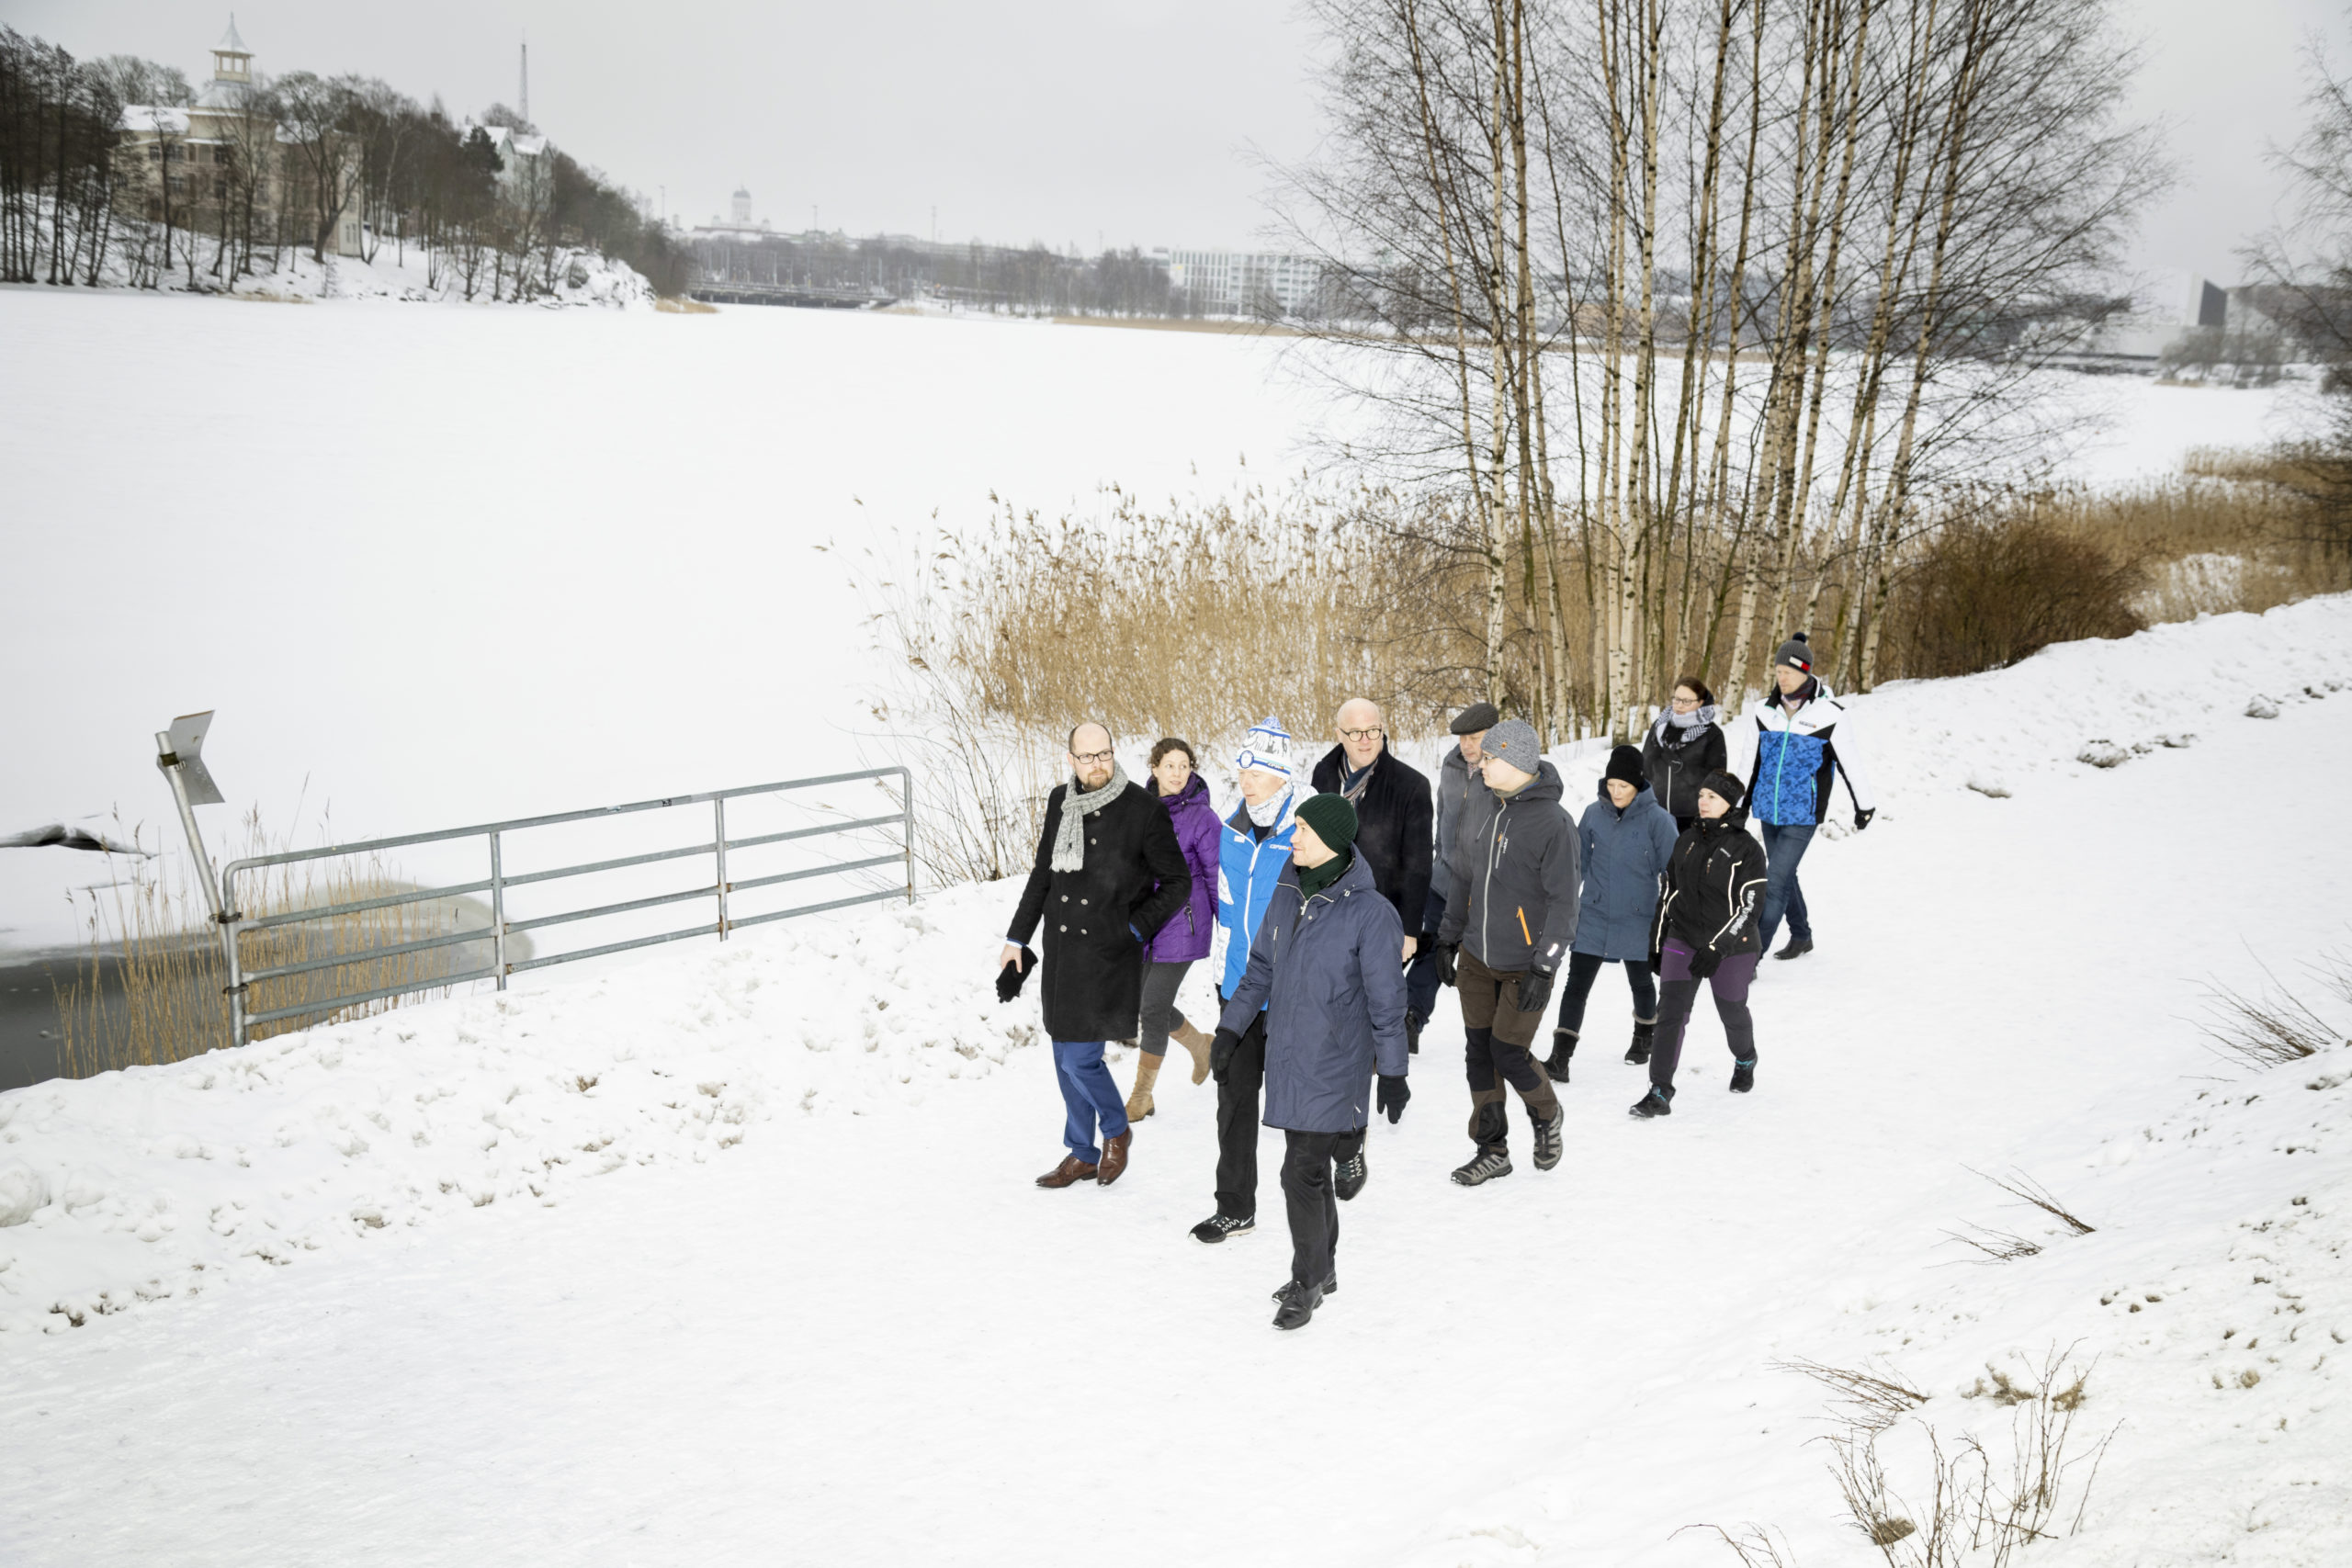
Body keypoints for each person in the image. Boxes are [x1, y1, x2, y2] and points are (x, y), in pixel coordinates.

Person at [1213, 793, 1411, 1330]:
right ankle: (1324, 1269)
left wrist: (1393, 1073)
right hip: (1289, 1056)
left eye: (1301, 829)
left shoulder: (1370, 914)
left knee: (1298, 1172)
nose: (1292, 837)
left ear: (1331, 840)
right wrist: (1230, 1030)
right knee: (1312, 1171)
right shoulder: (1286, 888)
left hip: (1339, 1064)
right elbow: (1258, 971)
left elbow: (1389, 1003)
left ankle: (1309, 1281)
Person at [1001, 723, 1192, 1189]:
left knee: (1080, 1059)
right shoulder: (1058, 802)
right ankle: (1081, 1153)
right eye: (1086, 758)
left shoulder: (1142, 810)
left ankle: (1116, 1130)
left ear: (1113, 753)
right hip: (1064, 951)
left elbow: (1178, 882)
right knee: (1063, 1054)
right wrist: (1017, 939)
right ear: (1071, 760)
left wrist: (1134, 925)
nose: (1097, 765)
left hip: (1108, 953)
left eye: (1104, 754)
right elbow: (1043, 875)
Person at [1432, 717, 1577, 1187]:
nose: (1482, 764)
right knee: (1479, 1051)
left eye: (1490, 757)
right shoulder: (1489, 808)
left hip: (1525, 965)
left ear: (1515, 761)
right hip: (1476, 957)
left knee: (1508, 1052)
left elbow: (1564, 904)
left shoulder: (1555, 824)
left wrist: (1545, 964)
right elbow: (1463, 876)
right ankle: (1491, 1149)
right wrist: (1448, 936)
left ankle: (1546, 1112)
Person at [1307, 697, 1432, 1201]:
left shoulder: (1409, 786)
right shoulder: (1322, 774)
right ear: (1338, 733)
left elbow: (1419, 862)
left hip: (1380, 920)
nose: (1365, 739)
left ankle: (1352, 1142)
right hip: (1325, 919)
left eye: (1374, 730)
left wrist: (1408, 928)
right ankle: (1322, 1126)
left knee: (1361, 1033)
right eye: (1355, 732)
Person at [1189, 718, 1302, 1245]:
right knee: (1233, 1096)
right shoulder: (1230, 829)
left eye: (1256, 769)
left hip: (1294, 994)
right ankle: (1234, 1206)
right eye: (1241, 767)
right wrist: (1218, 972)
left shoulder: (1306, 829)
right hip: (1237, 989)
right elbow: (1223, 907)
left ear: (1281, 774)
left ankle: (1340, 1157)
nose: (1245, 777)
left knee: (1301, 1100)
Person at [1632, 770, 1769, 1118]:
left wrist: (1716, 949)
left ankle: (1745, 1058)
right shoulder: (1687, 839)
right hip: (1684, 937)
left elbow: (1749, 908)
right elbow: (1669, 891)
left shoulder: (1748, 849)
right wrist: (1657, 940)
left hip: (1733, 946)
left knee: (1732, 1011)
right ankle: (1660, 1090)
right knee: (1671, 1014)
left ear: (1730, 804)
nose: (1704, 802)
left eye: (1713, 797)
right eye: (1702, 795)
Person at [1546, 744, 1679, 1082]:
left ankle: (1644, 1035)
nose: (1616, 793)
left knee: (1640, 982)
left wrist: (1667, 920)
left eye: (1625, 787)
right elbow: (1578, 864)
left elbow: (1674, 871)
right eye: (1611, 785)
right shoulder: (1593, 813)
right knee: (1575, 985)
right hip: (1593, 912)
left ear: (1639, 785)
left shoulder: (1659, 820)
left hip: (1638, 916)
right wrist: (1564, 902)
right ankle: (1560, 1057)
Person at [1742, 634, 1876, 962]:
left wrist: (1865, 805)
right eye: (1777, 672)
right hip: (1768, 810)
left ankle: (1748, 958)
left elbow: (1850, 764)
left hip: (1803, 814)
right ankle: (1802, 935)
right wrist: (1739, 807)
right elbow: (1750, 762)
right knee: (1783, 875)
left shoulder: (1830, 715)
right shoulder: (1763, 711)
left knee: (1774, 884)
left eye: (1787, 672)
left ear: (1805, 672)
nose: (1781, 678)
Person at [1125, 738, 1224, 1121]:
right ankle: (1200, 1045)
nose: (1178, 773)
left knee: (1152, 1007)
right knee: (1139, 999)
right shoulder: (1141, 810)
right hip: (1149, 920)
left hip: (1184, 921)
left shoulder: (1202, 818)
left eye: (1185, 766)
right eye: (1170, 765)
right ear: (1154, 768)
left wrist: (1224, 926)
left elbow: (1216, 876)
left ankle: (1141, 1096)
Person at [1415, 702, 1498, 1041]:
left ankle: (1495, 1034)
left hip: (1484, 888)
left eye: (1475, 738)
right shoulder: (1451, 765)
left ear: (1494, 736)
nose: (1466, 745)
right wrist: (1440, 856)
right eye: (1463, 738)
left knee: (1486, 962)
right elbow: (1443, 815)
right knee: (1429, 950)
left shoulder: (1505, 771)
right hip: (1445, 880)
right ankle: (1411, 1017)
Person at [1642, 676, 1729, 831]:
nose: (1680, 705)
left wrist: (1683, 769)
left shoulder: (1712, 734)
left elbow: (1717, 779)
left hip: (1692, 816)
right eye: (1676, 699)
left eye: (1687, 701)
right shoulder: (1660, 726)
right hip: (1656, 812)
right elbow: (1645, 766)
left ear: (1701, 702)